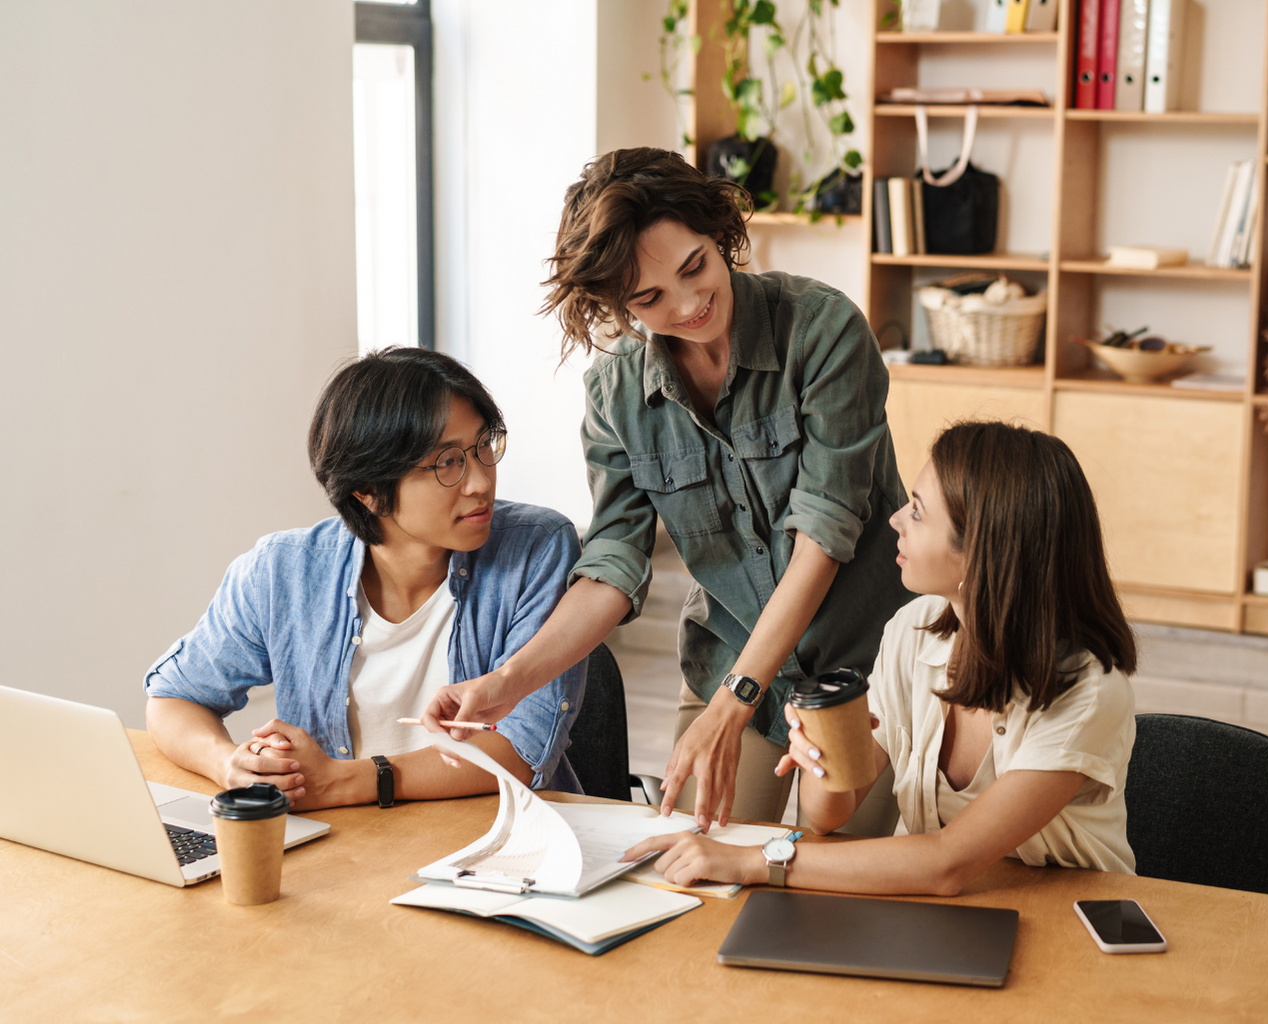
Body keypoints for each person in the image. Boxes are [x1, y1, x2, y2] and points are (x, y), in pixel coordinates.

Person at [423, 147, 911, 832]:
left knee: (835, 883)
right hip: (728, 654)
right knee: (693, 868)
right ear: (614, 304)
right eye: (649, 299)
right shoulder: (615, 393)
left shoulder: (823, 331)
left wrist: (736, 699)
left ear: (719, 233)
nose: (688, 305)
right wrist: (507, 683)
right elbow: (613, 567)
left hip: (868, 663)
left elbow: (823, 537)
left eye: (695, 267)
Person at [620, 421, 1139, 892]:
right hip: (952, 922)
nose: (894, 519)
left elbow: (947, 864)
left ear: (983, 550)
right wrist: (823, 752)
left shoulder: (1088, 691)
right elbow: (829, 815)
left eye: (917, 510)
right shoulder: (913, 630)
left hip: (1069, 927)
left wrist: (755, 861)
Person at [144, 347, 586, 809]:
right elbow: (173, 698)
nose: (481, 481)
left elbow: (522, 749)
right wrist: (228, 765)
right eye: (447, 462)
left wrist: (344, 782)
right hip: (348, 841)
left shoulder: (537, 548)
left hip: (500, 838)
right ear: (368, 491)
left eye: (483, 446)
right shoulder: (283, 572)